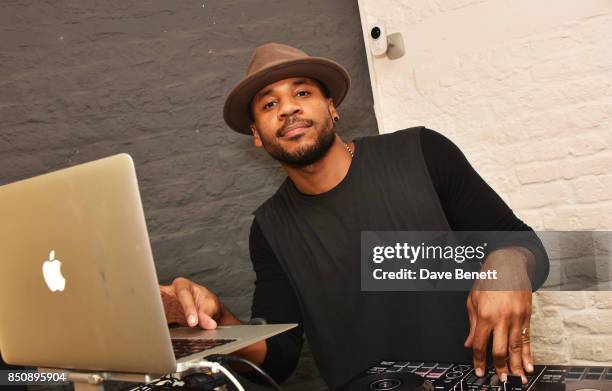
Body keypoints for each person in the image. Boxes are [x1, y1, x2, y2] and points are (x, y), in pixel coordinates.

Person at [160, 43, 549, 390]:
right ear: (258, 135)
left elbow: (524, 244)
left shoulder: (423, 153)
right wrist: (218, 323)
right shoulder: (269, 227)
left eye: (302, 92)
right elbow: (278, 357)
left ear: (331, 107)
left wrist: (507, 261)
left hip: (480, 381)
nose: (289, 107)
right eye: (269, 104)